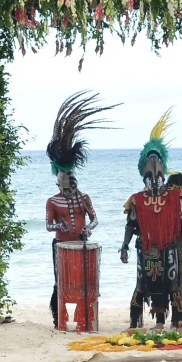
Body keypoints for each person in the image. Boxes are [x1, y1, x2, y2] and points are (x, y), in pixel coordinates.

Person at [120, 110, 182, 328]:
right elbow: (130, 225)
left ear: (163, 175)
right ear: (144, 177)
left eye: (158, 177)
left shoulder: (175, 197)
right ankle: (141, 322)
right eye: (150, 177)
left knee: (172, 283)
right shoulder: (136, 200)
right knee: (143, 285)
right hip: (145, 249)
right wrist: (124, 246)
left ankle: (177, 321)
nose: (154, 180)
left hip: (169, 248)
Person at [44, 92, 112, 331]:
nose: (67, 181)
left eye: (70, 176)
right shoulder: (52, 201)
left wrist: (87, 228)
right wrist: (59, 227)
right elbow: (48, 225)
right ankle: (58, 318)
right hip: (61, 246)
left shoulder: (84, 198)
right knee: (60, 282)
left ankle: (85, 319)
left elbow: (95, 220)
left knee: (84, 281)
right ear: (58, 178)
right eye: (63, 177)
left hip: (81, 245)